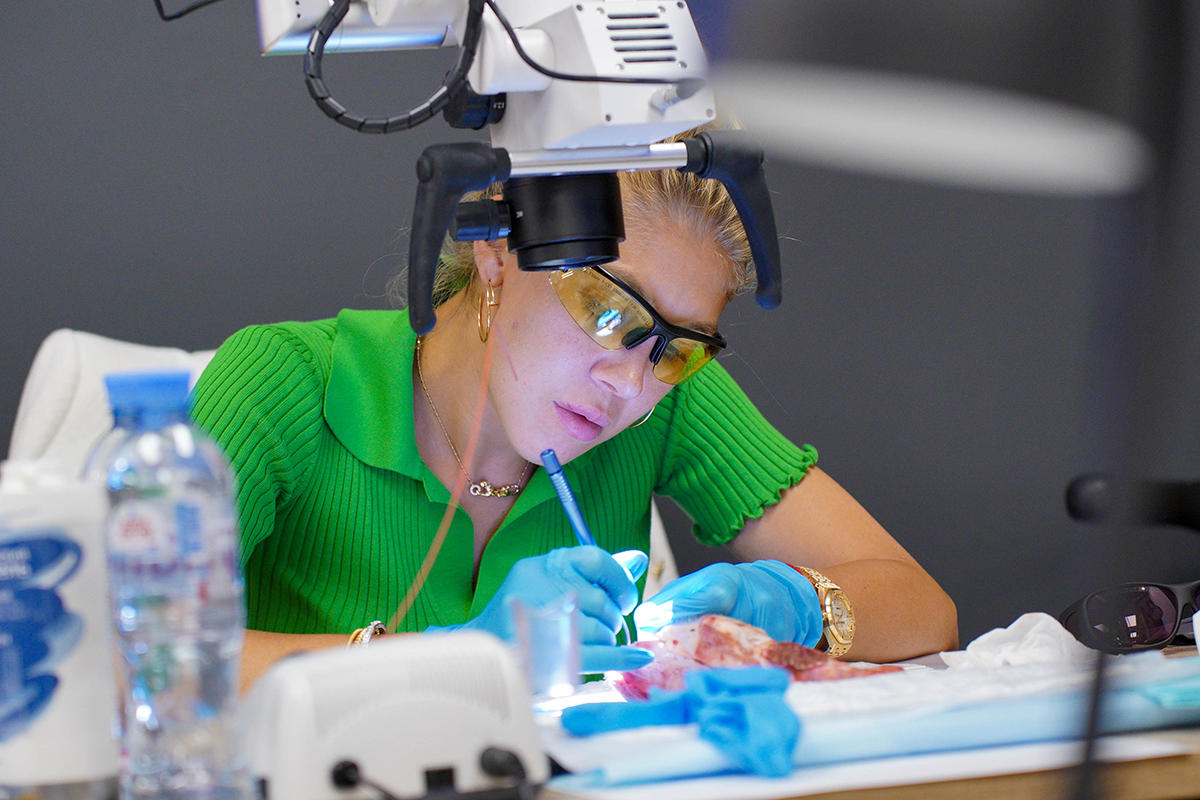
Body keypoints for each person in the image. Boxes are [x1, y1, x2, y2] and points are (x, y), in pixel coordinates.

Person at [189, 133, 959, 692]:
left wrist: (788, 603)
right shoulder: (284, 381)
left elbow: (924, 609)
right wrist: (449, 662)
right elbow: (142, 666)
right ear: (496, 252)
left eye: (677, 348)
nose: (629, 381)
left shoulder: (665, 394)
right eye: (608, 311)